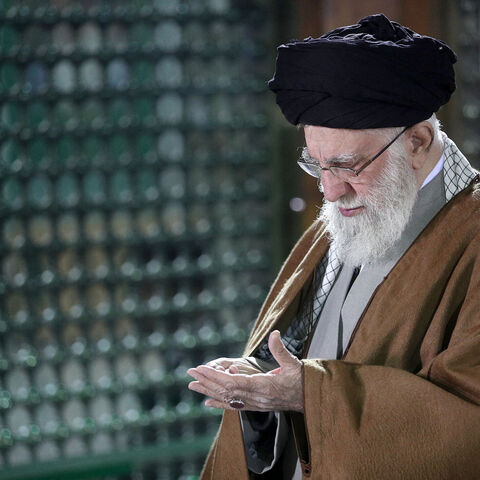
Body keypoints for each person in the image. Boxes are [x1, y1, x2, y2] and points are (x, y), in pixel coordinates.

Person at [187, 13, 480, 479]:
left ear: (419, 142)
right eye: (316, 165)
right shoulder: (341, 222)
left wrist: (312, 394)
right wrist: (259, 381)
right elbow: (300, 349)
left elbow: (468, 427)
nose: (329, 191)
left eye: (346, 166)